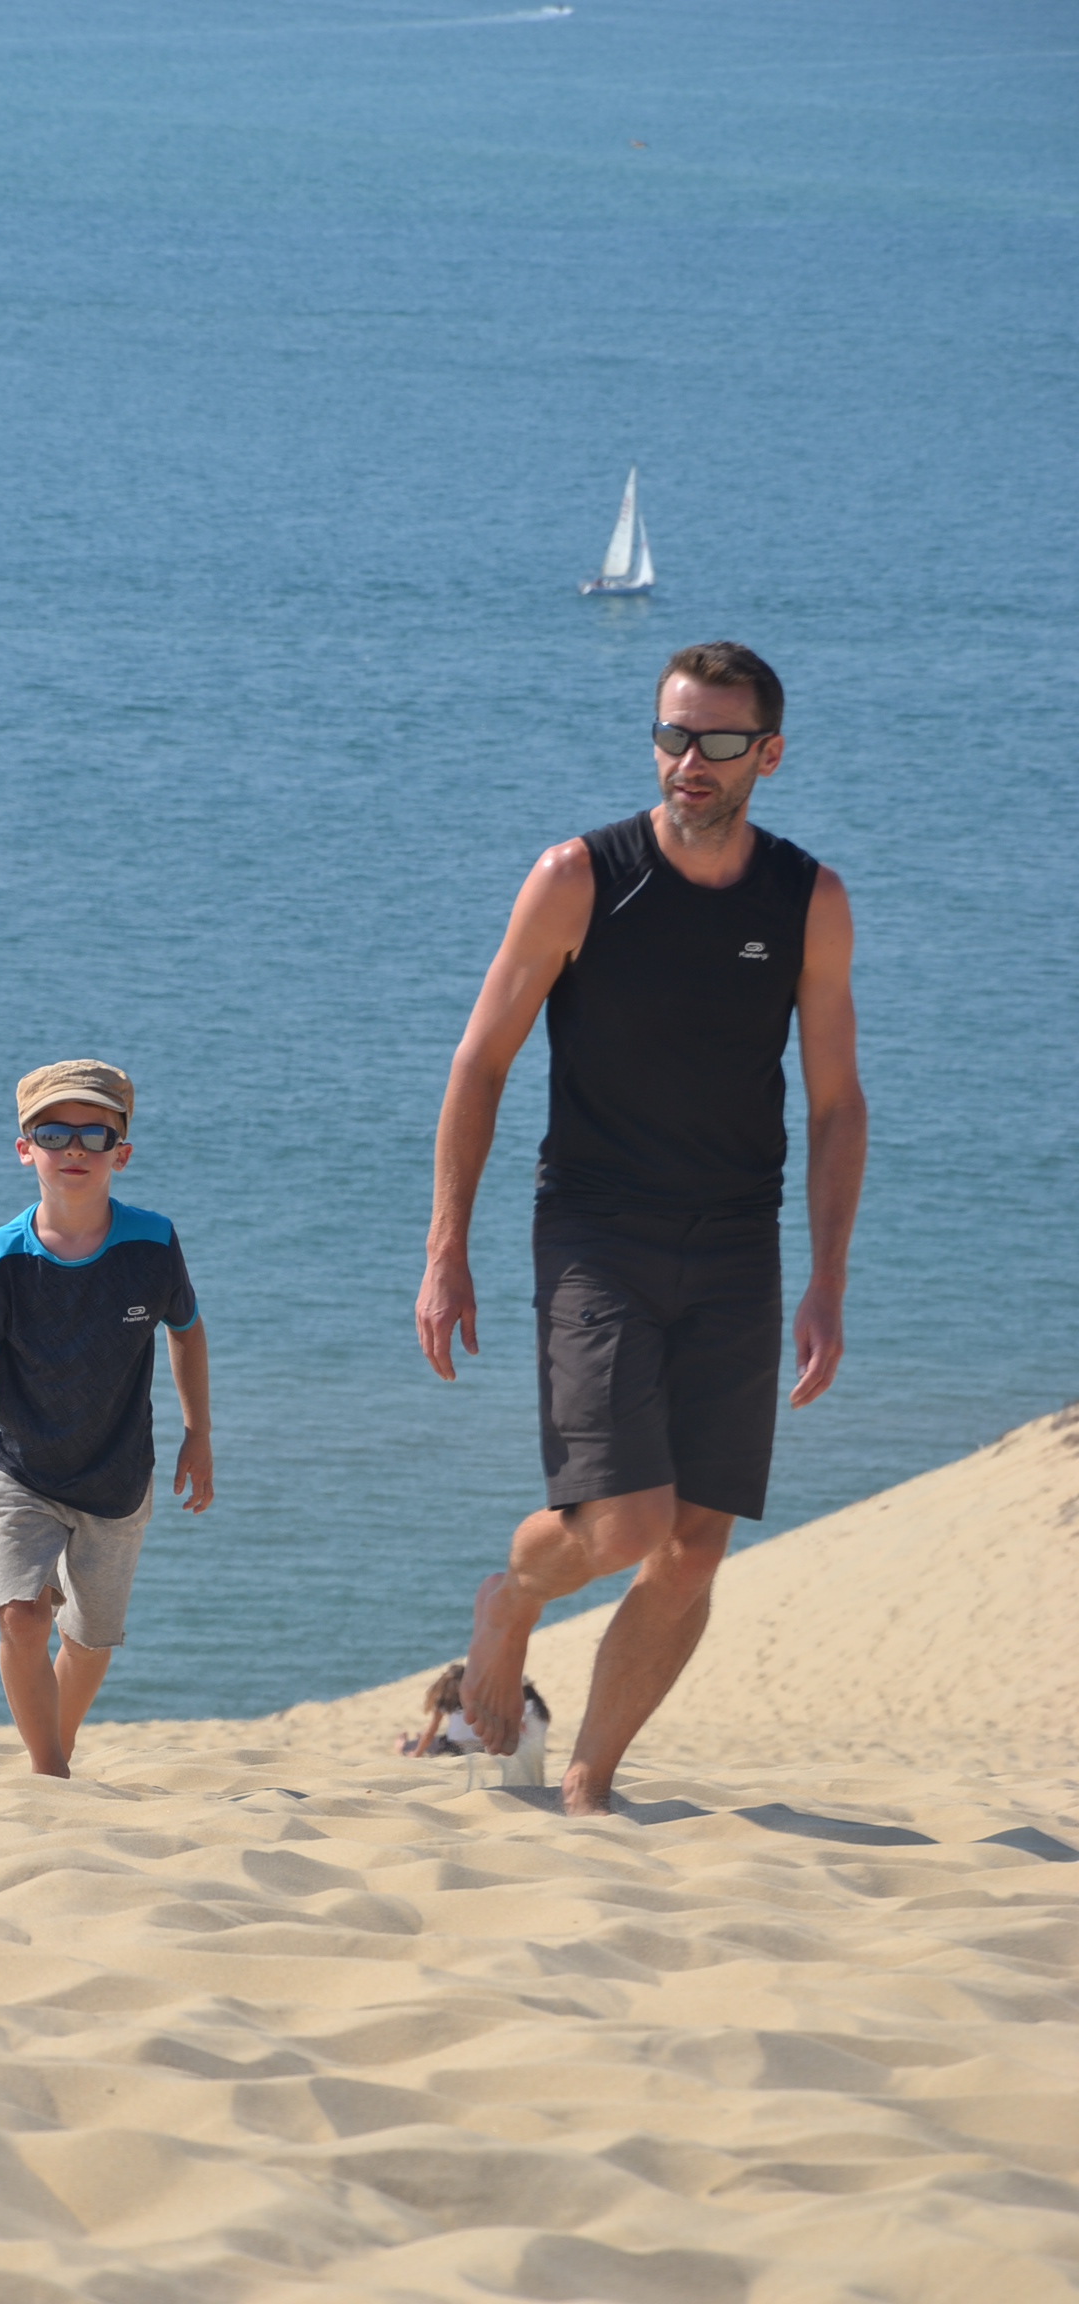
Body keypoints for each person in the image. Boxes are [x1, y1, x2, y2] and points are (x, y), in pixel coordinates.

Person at [415, 642, 866, 1815]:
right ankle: (509, 1601)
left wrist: (827, 1279)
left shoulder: (807, 901)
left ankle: (589, 1790)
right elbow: (479, 1062)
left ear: (769, 753)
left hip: (737, 1241)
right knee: (622, 1521)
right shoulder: (579, 877)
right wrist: (446, 1249)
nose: (689, 762)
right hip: (597, 1231)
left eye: (718, 741)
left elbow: (835, 1103)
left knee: (694, 1546)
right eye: (672, 735)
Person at [0, 1059, 213, 1777]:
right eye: (53, 1134)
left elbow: (186, 1331)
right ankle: (49, 1775)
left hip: (118, 1478)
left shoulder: (153, 1244)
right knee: (22, 1616)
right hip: (18, 1469)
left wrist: (198, 1434)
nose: (74, 1148)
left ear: (122, 1153)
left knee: (88, 1640)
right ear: (26, 1150)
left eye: (94, 1134)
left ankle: (58, 1746)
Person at [397, 1663, 551, 1758]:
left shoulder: (445, 1702)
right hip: (481, 1744)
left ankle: (402, 1743)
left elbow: (431, 1730)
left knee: (416, 1743)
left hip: (455, 1745)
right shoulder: (480, 1697)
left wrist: (417, 1753)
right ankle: (416, 1739)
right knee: (435, 1738)